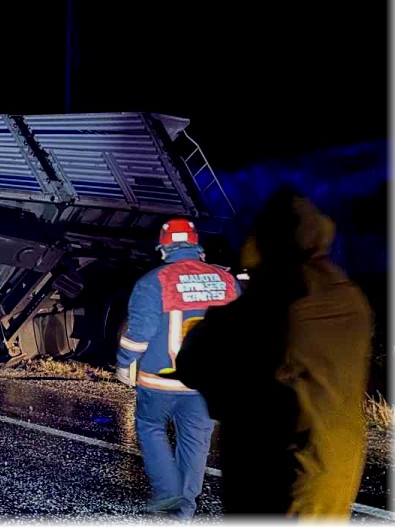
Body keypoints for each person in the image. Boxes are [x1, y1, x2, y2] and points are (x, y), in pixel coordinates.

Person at [175, 189, 373, 518]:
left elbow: (194, 360)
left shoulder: (275, 300)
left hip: (275, 480)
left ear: (268, 240)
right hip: (335, 468)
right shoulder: (351, 298)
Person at [115, 218, 240, 519]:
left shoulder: (151, 282)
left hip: (159, 380)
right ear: (199, 248)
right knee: (196, 442)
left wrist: (123, 364)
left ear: (163, 249)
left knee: (151, 427)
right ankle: (184, 510)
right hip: (206, 383)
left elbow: (138, 335)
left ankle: (169, 492)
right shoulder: (227, 282)